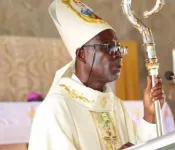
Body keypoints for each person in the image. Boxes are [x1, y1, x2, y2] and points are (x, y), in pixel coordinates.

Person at [28, 0, 167, 149]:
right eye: (109, 47)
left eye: (119, 48)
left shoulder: (115, 106)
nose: (119, 55)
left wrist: (150, 115)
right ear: (82, 54)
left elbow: (140, 146)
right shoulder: (57, 108)